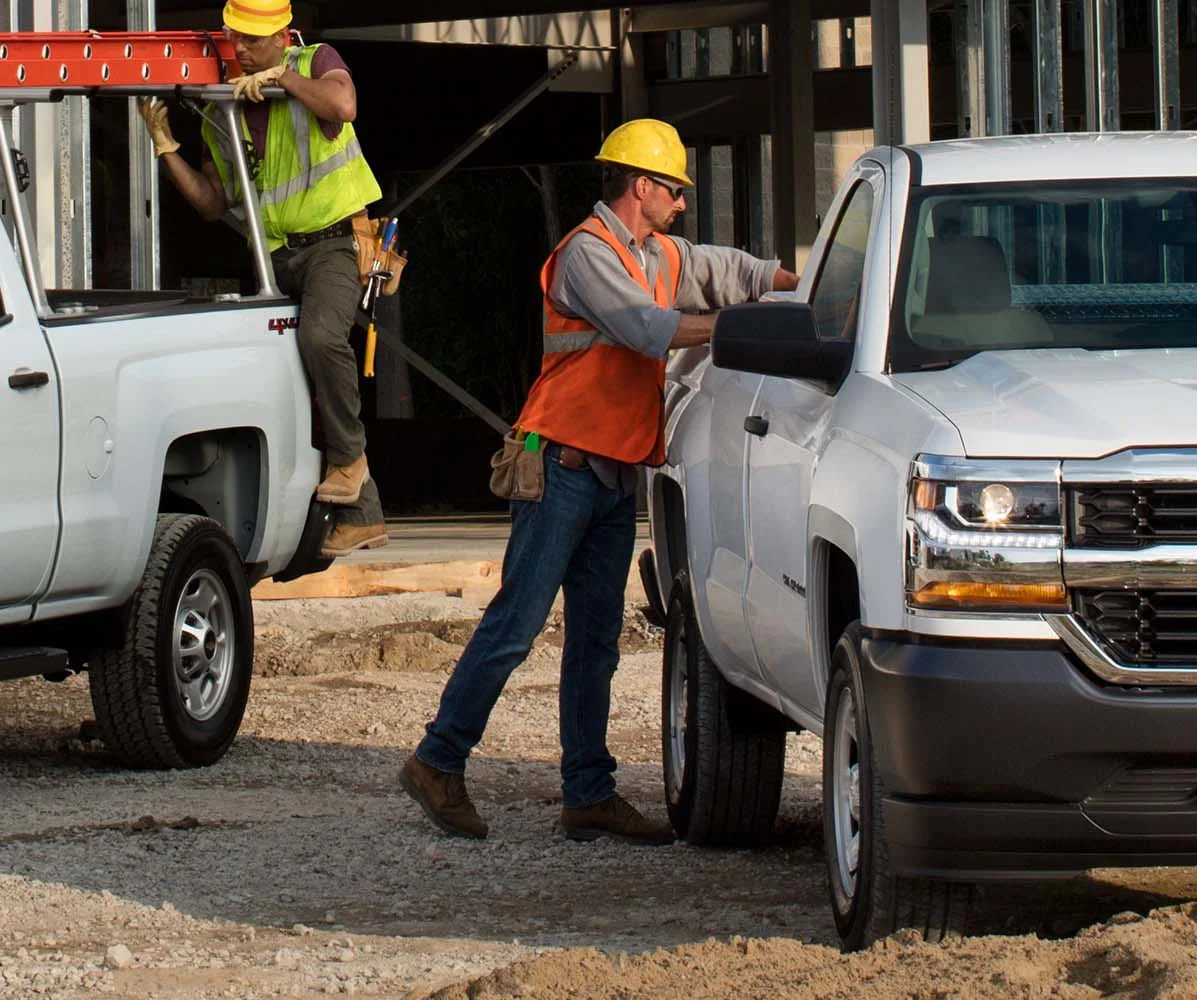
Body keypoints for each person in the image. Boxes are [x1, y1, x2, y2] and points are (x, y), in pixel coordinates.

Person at [400, 119, 800, 843]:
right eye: (674, 190)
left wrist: (800, 286)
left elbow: (729, 268)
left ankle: (588, 793)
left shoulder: (656, 252)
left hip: (612, 474)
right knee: (516, 626)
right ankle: (437, 760)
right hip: (564, 465)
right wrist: (742, 329)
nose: (681, 203)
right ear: (641, 186)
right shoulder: (588, 254)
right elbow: (647, 329)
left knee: (596, 641)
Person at [137, 0, 388, 557]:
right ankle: (360, 511)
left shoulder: (315, 59)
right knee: (288, 372)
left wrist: (287, 79)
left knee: (321, 339)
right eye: (235, 40)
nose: (241, 50)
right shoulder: (226, 104)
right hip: (276, 255)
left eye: (251, 41)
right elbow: (211, 203)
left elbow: (344, 104)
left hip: (335, 243)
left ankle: (348, 464)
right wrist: (167, 149)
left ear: (281, 36)